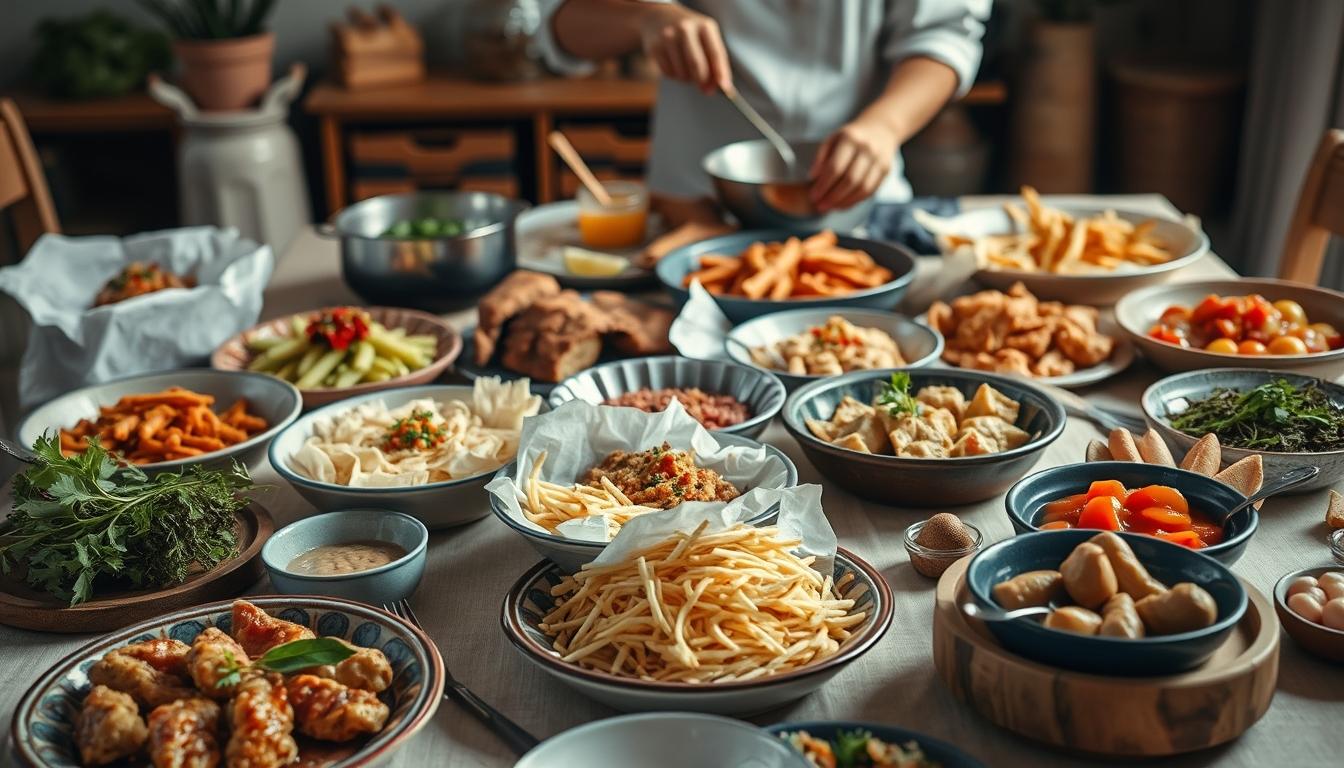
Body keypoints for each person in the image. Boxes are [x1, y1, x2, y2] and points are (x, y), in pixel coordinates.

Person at [538, 0, 991, 227]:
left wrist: (885, 125)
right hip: (693, 212)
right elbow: (561, 27)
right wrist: (646, 16)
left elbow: (945, 35)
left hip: (860, 208)